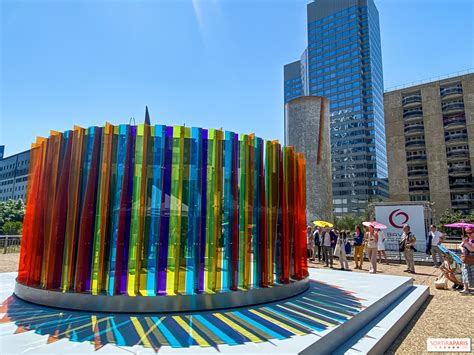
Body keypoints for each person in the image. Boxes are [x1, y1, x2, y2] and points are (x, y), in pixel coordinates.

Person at [459, 227, 474, 295]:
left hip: (472, 259)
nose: (468, 234)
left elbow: (472, 249)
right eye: (467, 233)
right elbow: (460, 246)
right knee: (465, 273)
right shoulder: (467, 239)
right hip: (466, 259)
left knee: (473, 274)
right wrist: (462, 248)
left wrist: (465, 243)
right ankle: (466, 289)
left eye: (470, 232)